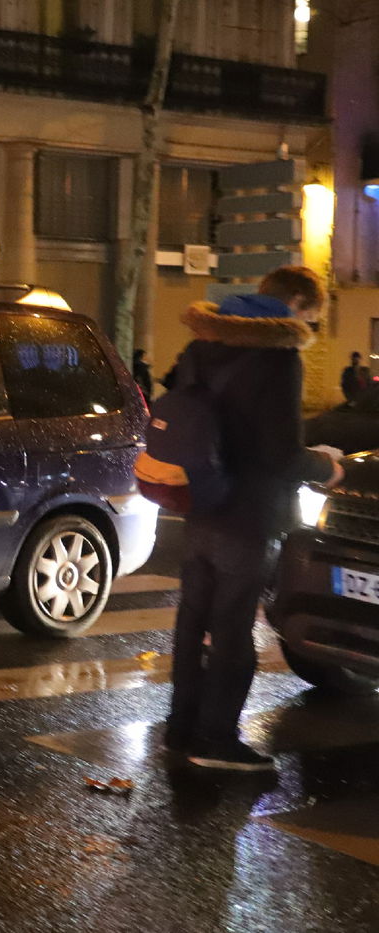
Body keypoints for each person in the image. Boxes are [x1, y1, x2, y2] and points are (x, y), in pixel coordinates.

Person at [165, 266, 343, 771]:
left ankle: (181, 729)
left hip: (199, 503)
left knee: (193, 618)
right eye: (311, 316)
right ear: (298, 305)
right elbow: (281, 454)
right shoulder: (279, 358)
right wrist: (325, 465)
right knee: (232, 627)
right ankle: (217, 740)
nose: (310, 324)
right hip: (248, 514)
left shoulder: (204, 343)